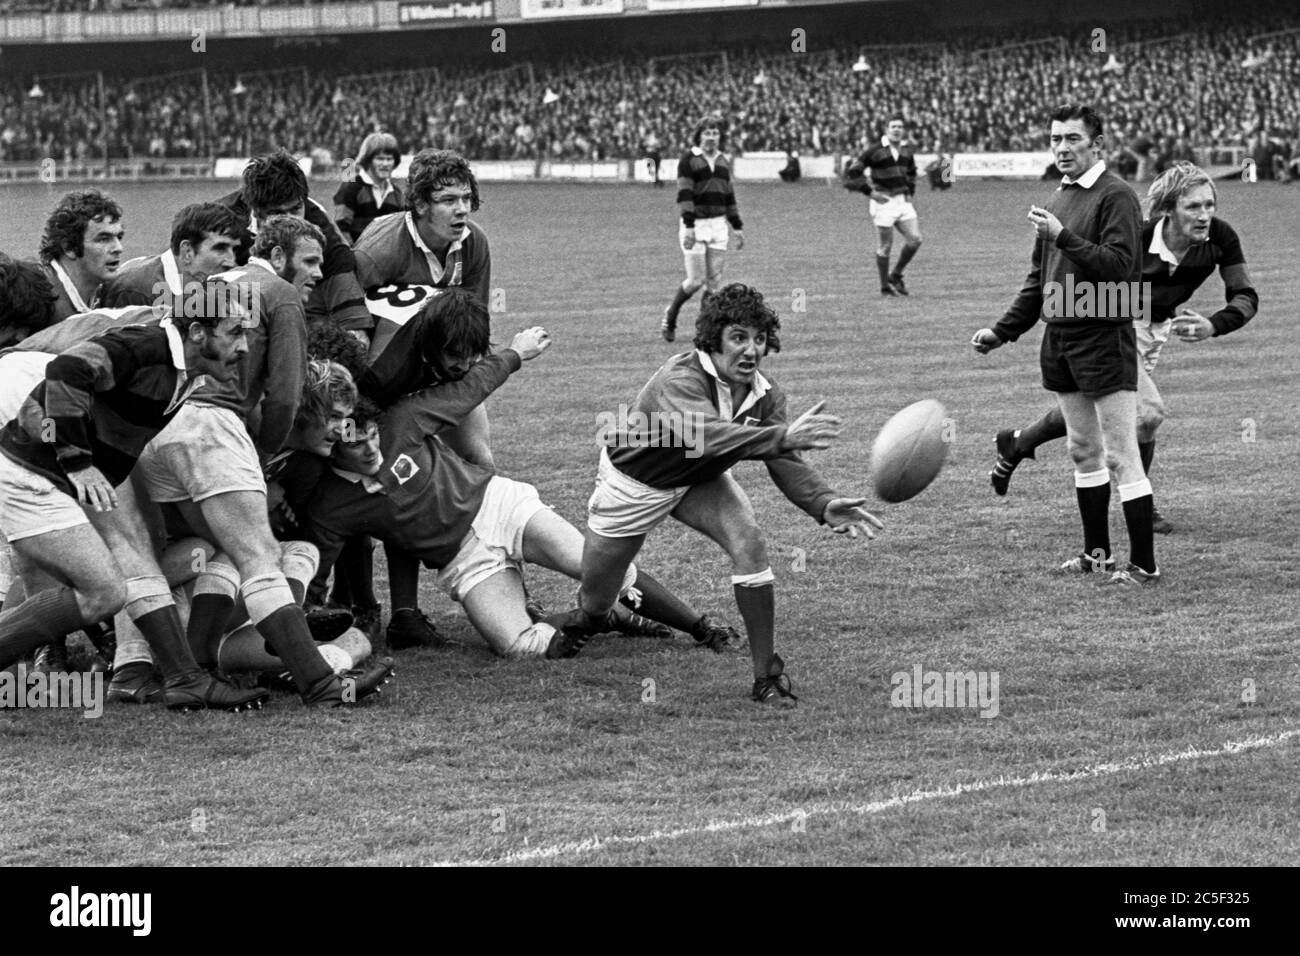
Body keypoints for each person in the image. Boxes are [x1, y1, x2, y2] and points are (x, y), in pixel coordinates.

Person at [303, 290, 733, 659]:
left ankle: (701, 627)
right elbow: (315, 568)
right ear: (330, 444)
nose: (371, 446)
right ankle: (600, 617)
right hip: (461, 560)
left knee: (599, 566)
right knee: (519, 646)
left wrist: (515, 354)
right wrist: (306, 613)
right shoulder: (329, 504)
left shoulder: (402, 419)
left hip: (497, 507)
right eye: (356, 444)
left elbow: (468, 389)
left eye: (372, 434)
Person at [560, 284, 883, 705]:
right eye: (738, 337)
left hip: (699, 479)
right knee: (593, 604)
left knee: (749, 541)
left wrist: (822, 503)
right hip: (634, 485)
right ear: (713, 340)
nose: (751, 350)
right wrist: (780, 437)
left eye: (760, 338)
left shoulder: (766, 395)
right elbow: (705, 436)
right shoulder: (681, 378)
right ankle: (607, 615)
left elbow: (781, 459)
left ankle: (766, 675)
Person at [125, 218, 392, 706]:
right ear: (277, 256)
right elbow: (289, 394)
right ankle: (320, 681)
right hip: (211, 426)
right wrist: (262, 462)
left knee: (163, 553)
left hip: (160, 421)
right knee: (260, 557)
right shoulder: (279, 294)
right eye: (310, 261)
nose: (316, 274)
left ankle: (150, 665)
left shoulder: (211, 285)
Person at [0, 280, 270, 711]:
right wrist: (78, 463)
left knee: (120, 570)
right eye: (236, 332)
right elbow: (66, 371)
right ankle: (174, 675)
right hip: (27, 472)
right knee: (105, 590)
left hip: (43, 469)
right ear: (198, 332)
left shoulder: (184, 373)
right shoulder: (147, 346)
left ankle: (183, 678)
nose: (244, 347)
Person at [986, 162, 1259, 534]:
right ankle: (1137, 506)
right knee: (1147, 414)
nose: (1205, 215)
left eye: (1209, 205)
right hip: (1113, 322)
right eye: (1193, 207)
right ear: (1168, 209)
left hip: (1155, 330)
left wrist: (1214, 323)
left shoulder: (1221, 239)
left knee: (1108, 414)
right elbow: (1094, 270)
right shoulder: (1141, 235)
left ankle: (1017, 443)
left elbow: (1245, 295)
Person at [972, 103, 1156, 586]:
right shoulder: (1056, 200)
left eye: (1072, 138)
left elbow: (1120, 268)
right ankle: (1097, 556)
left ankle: (1144, 566)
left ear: (1098, 144)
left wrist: (1064, 236)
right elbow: (1040, 278)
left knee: (1120, 455)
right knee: (1081, 450)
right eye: (1056, 138)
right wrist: (1002, 330)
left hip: (1102, 337)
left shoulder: (1116, 196)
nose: (1062, 147)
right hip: (1061, 338)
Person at [349, 148, 495, 650]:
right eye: (447, 200)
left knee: (480, 461)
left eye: (466, 198)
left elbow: (475, 321)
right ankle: (388, 611)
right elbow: (348, 321)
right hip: (385, 383)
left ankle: (496, 574)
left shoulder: (473, 243)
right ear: (418, 205)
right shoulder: (379, 251)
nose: (461, 210)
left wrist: (467, 375)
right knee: (394, 479)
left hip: (445, 374)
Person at [214, 149, 370, 334]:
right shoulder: (223, 224)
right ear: (255, 211)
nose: (291, 222)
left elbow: (353, 319)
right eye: (278, 213)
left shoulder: (320, 226)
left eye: (296, 209)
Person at [659, 114, 744, 343]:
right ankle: (671, 315)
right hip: (695, 224)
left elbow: (728, 194)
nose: (712, 137)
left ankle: (704, 331)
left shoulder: (723, 160)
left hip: (718, 225)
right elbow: (685, 193)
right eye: (707, 132)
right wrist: (688, 226)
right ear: (699, 135)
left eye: (715, 133)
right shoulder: (689, 159)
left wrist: (736, 225)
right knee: (695, 280)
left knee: (714, 284)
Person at [102, 202, 241, 309]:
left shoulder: (222, 285)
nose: (231, 261)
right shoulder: (134, 290)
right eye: (220, 248)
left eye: (234, 249)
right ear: (187, 252)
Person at [844, 114, 921, 296]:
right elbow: (854, 171)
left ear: (903, 130)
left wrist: (910, 191)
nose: (897, 130)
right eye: (893, 126)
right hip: (883, 202)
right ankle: (884, 286)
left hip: (902, 201)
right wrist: (870, 193)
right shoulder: (874, 150)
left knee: (915, 240)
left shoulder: (906, 150)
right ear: (886, 129)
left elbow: (911, 171)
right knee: (885, 246)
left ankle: (896, 275)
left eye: (900, 127)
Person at [37, 188, 124, 322]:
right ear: (69, 247)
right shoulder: (36, 299)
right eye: (104, 239)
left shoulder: (108, 295)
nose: (118, 248)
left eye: (119, 237)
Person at [333, 132, 405, 245]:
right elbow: (341, 229)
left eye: (389, 159)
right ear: (368, 160)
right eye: (380, 159)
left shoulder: (397, 194)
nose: (385, 164)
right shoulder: (351, 188)